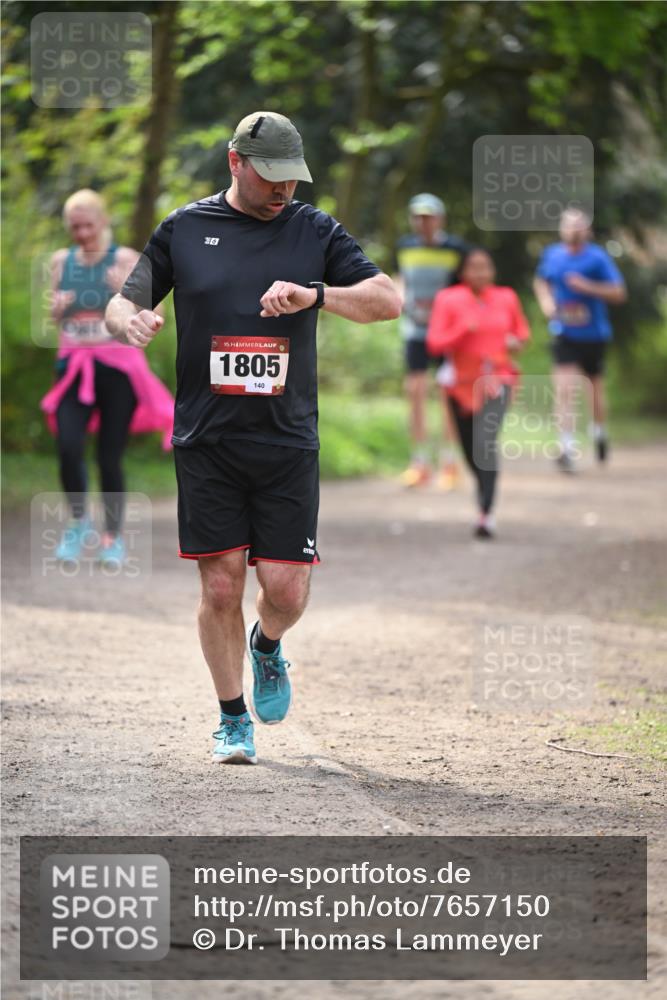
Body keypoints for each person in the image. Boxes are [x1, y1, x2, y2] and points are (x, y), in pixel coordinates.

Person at [105, 111, 401, 765]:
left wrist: (314, 296)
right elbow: (123, 299)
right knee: (219, 586)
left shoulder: (314, 230)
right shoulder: (186, 229)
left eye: (292, 179)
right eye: (271, 177)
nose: (283, 191)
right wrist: (129, 322)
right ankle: (232, 718)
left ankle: (266, 645)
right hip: (207, 438)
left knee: (287, 589)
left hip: (286, 439)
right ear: (235, 162)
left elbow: (387, 300)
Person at [41, 189, 174, 565]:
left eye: (88, 224)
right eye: (74, 226)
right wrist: (57, 310)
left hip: (117, 370)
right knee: (67, 446)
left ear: (104, 221)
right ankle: (79, 522)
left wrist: (124, 293)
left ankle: (112, 538)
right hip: (73, 366)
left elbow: (156, 308)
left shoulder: (127, 259)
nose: (81, 233)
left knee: (109, 456)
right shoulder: (60, 261)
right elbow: (52, 316)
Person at [426, 248, 530, 539]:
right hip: (460, 385)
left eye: (486, 267)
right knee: (470, 449)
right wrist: (462, 328)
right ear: (462, 272)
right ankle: (484, 489)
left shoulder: (506, 297)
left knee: (486, 441)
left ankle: (486, 513)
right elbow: (435, 344)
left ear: (493, 271)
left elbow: (522, 333)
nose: (480, 273)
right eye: (474, 267)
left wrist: (515, 342)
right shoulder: (448, 299)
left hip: (498, 380)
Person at [533, 208, 626, 473]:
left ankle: (599, 432)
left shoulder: (598, 258)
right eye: (569, 225)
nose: (573, 229)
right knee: (564, 389)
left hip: (594, 335)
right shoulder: (552, 255)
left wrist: (588, 287)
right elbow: (541, 282)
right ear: (561, 228)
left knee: (594, 392)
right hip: (564, 333)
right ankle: (566, 448)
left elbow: (619, 292)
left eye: (579, 225)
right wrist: (547, 303)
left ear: (587, 230)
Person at [394, 193, 469, 488]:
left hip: (446, 334)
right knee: (415, 391)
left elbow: (465, 288)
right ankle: (420, 462)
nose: (422, 222)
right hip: (414, 330)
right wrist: (398, 295)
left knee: (447, 394)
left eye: (428, 217)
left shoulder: (456, 249)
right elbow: (399, 278)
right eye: (418, 217)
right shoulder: (404, 247)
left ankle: (449, 463)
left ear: (440, 219)